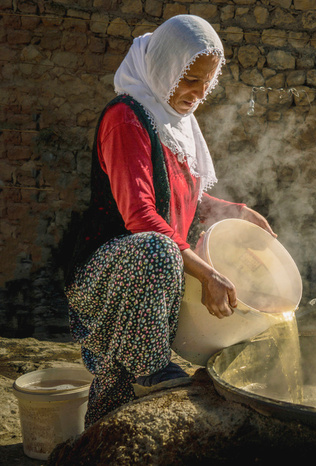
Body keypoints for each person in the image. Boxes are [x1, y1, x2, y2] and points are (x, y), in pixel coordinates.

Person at [64, 15, 275, 427]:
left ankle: (104, 437)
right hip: (108, 271)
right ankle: (154, 365)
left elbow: (188, 201)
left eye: (207, 83)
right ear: (165, 68)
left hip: (146, 275)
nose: (199, 94)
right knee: (157, 245)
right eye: (190, 79)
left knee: (118, 380)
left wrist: (240, 214)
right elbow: (142, 217)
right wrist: (207, 275)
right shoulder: (126, 118)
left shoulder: (177, 125)